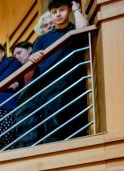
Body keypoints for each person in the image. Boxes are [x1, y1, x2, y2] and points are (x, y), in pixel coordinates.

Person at [29, 1, 92, 143]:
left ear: (69, 10)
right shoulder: (42, 38)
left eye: (62, 10)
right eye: (54, 12)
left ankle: (54, 143)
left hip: (69, 80)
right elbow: (32, 58)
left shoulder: (74, 29)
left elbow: (83, 28)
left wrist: (76, 9)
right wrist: (33, 57)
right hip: (46, 83)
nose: (58, 14)